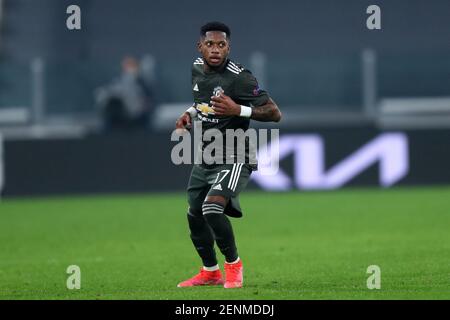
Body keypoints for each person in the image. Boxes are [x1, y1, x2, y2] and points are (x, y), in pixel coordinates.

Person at [175, 22, 281, 289]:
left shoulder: (240, 77)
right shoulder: (196, 68)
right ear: (200, 46)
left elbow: (274, 113)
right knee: (194, 213)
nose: (215, 50)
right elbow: (204, 101)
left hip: (236, 153)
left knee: (212, 208)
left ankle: (233, 265)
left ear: (228, 47)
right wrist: (191, 113)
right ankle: (210, 272)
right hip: (207, 153)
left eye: (221, 45)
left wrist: (238, 110)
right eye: (210, 44)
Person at [95, 56, 154, 131]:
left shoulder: (144, 84)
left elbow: (147, 102)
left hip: (139, 124)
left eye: (132, 66)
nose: (130, 69)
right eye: (127, 66)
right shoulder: (116, 83)